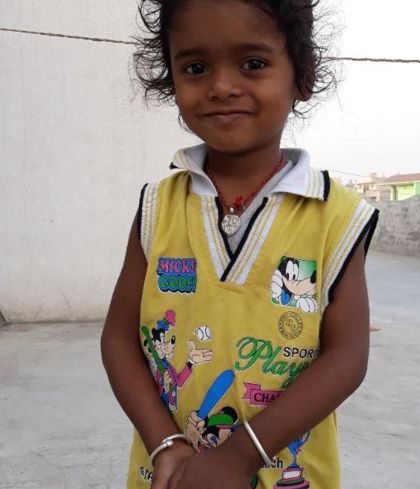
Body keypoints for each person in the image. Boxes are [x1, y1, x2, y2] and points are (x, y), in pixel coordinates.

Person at [100, 1, 379, 488]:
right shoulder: (157, 208)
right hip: (170, 476)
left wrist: (238, 456)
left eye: (252, 63)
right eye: (196, 67)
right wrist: (166, 444)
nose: (222, 86)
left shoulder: (336, 216)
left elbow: (347, 357)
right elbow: (119, 339)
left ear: (302, 76)